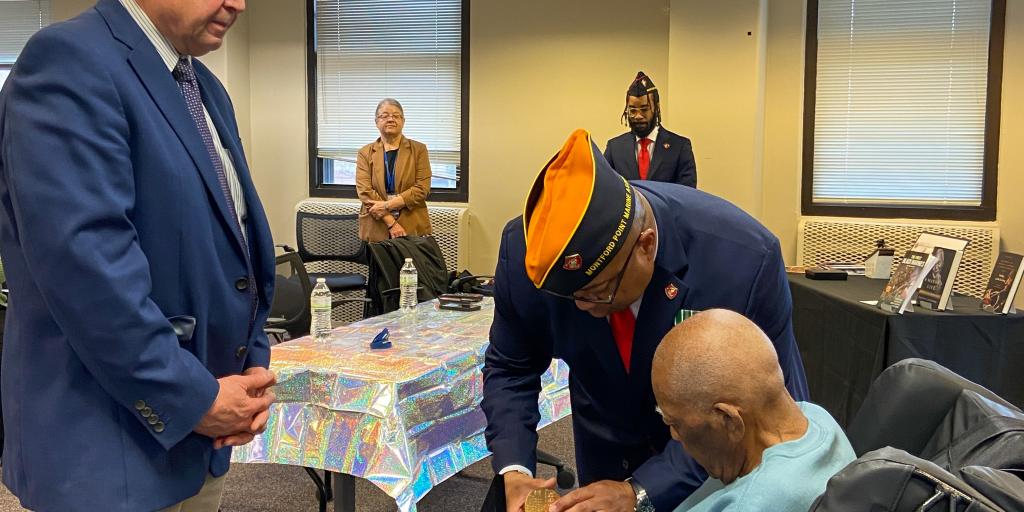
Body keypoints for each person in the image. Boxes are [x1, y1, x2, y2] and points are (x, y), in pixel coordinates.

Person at [0, 0, 278, 510]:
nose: (239, 3)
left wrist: (248, 374)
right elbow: (89, 277)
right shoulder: (69, 61)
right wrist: (194, 400)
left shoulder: (204, 87)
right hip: (108, 454)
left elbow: (231, 244)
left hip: (199, 439)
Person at [481, 129, 808, 512]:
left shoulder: (743, 261)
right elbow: (511, 367)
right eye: (572, 298)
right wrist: (515, 469)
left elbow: (767, 415)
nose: (584, 307)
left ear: (646, 245)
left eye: (599, 291)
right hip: (604, 436)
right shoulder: (525, 254)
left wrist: (640, 492)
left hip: (715, 467)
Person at [651, 309, 856, 511]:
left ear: (729, 421)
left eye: (675, 423)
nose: (674, 435)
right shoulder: (815, 417)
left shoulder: (751, 504)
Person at [356, 98, 433, 242]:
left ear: (403, 121)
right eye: (384, 116)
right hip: (376, 223)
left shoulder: (419, 150)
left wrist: (386, 205)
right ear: (376, 122)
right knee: (378, 265)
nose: (390, 119)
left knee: (410, 264)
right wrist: (391, 222)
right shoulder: (365, 153)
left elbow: (422, 188)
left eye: (396, 116)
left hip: (411, 222)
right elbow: (365, 191)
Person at [604, 71, 697, 188]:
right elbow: (605, 188)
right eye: (632, 111)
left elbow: (687, 194)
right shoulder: (615, 148)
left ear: (656, 108)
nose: (638, 116)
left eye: (644, 109)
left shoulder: (680, 146)